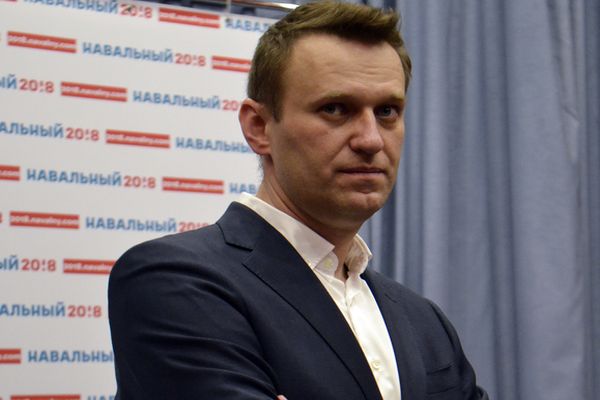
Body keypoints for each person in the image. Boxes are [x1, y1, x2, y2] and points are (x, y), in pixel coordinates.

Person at [108, 1, 488, 399]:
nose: (371, 139)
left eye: (388, 111)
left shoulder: (424, 322)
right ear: (259, 127)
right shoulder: (174, 282)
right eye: (335, 109)